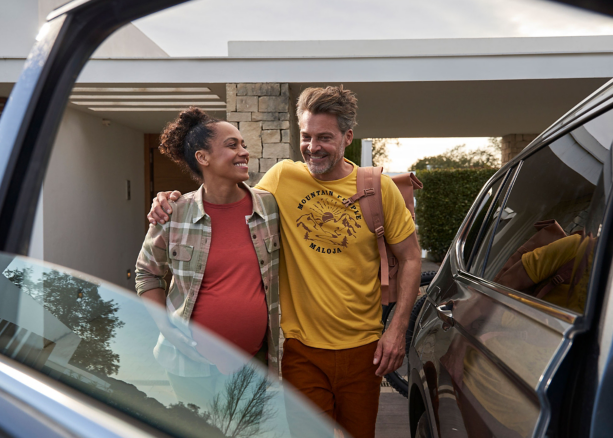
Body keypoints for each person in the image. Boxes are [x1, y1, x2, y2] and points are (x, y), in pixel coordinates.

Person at [148, 86, 421, 438]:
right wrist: (171, 200)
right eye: (306, 136)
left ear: (347, 137)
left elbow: (411, 257)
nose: (312, 146)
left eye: (324, 137)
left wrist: (396, 331)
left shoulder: (378, 189)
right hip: (298, 350)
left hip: (363, 349)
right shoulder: (281, 178)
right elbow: (228, 198)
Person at [135, 107, 280, 408]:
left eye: (243, 144)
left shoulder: (270, 207)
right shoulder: (175, 212)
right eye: (232, 145)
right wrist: (166, 329)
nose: (244, 152)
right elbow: (147, 273)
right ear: (203, 158)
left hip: (252, 363)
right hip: (187, 364)